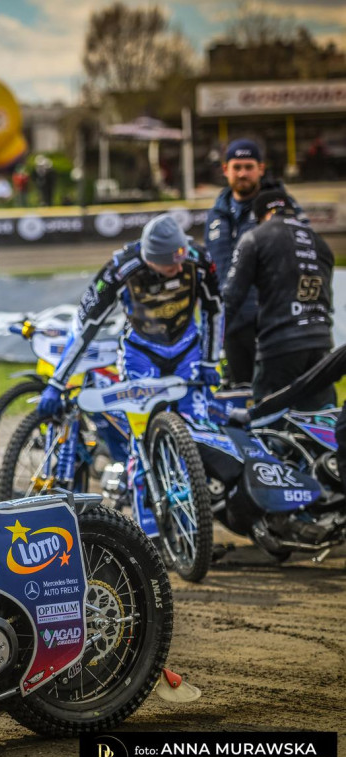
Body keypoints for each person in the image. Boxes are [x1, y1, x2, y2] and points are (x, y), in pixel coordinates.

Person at [37, 214, 223, 537]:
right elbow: (85, 327)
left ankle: (193, 526)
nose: (178, 268)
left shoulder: (198, 259)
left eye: (180, 260)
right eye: (169, 264)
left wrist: (210, 361)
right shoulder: (120, 269)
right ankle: (149, 534)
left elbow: (215, 310)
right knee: (142, 443)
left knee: (196, 434)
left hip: (187, 353)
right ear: (150, 259)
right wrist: (56, 382)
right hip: (141, 355)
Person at [223, 188, 335, 410]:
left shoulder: (256, 237)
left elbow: (231, 297)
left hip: (280, 344)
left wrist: (212, 340)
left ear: (260, 216)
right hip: (321, 342)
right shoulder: (319, 242)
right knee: (321, 419)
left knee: (269, 419)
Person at [204, 139, 304, 385]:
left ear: (261, 168)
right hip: (232, 324)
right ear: (225, 169)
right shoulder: (216, 215)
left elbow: (306, 253)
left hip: (271, 324)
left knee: (276, 393)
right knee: (240, 393)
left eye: (249, 167)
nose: (242, 174)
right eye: (236, 167)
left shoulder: (280, 207)